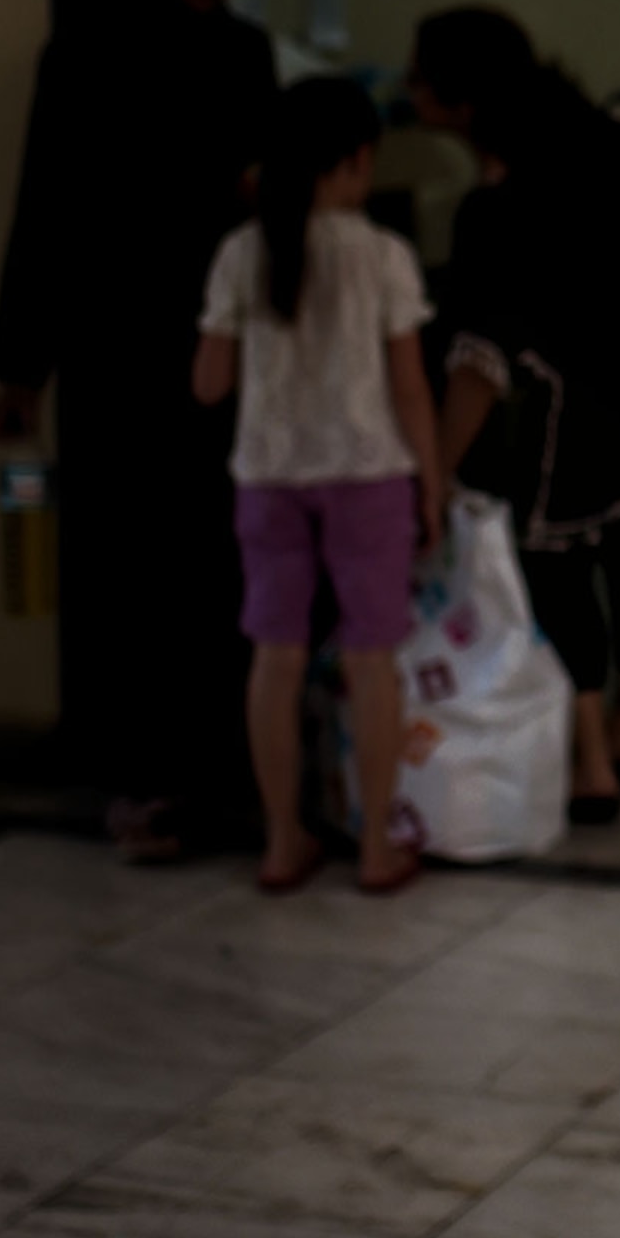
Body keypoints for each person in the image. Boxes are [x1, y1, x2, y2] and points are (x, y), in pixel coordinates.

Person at [0, 0, 277, 860]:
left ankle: (226, 762)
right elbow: (49, 207)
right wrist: (21, 362)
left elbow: (264, 193)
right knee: (125, 560)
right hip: (114, 344)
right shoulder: (86, 55)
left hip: (215, 340)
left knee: (215, 552)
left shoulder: (242, 51)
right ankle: (141, 774)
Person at [410, 8, 620, 820]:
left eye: (421, 78)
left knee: (557, 569)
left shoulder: (499, 205)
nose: (408, 91)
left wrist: (435, 468)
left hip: (568, 423)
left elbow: (479, 358)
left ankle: (591, 762)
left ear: (464, 99)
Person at [192, 77, 442, 895]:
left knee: (275, 656)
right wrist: (431, 483)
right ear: (359, 158)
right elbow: (410, 389)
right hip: (368, 474)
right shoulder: (383, 255)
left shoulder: (240, 252)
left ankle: (280, 839)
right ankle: (374, 844)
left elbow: (208, 384)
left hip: (268, 477)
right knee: (374, 659)